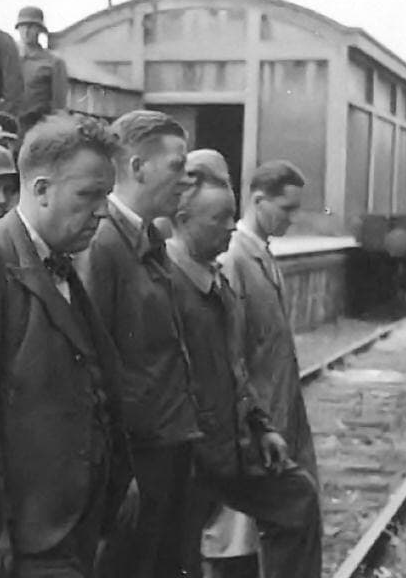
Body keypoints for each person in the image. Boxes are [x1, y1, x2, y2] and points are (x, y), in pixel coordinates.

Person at [0, 114, 127, 578]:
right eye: (89, 195)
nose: (103, 212)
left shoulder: (63, 260)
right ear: (42, 189)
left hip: (74, 523)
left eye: (107, 196)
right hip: (27, 534)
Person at [167, 155, 322, 578]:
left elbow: (234, 364)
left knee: (297, 499)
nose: (230, 227)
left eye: (231, 216)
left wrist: (259, 424)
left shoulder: (216, 277)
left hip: (231, 440)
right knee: (198, 550)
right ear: (183, 219)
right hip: (194, 452)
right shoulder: (170, 282)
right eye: (219, 219)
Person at [78, 109, 198, 577]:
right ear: (137, 167)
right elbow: (90, 362)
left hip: (166, 445)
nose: (186, 179)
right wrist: (116, 474)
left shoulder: (148, 237)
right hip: (137, 457)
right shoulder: (103, 243)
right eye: (177, 166)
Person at [15, 6, 70, 121]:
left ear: (40, 30)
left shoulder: (54, 62)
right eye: (22, 26)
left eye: (31, 26)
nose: (26, 31)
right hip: (9, 122)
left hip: (38, 122)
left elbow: (59, 105)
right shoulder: (9, 58)